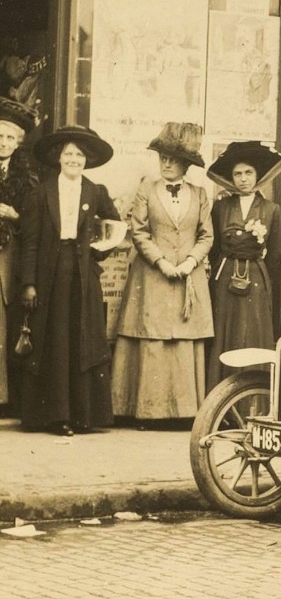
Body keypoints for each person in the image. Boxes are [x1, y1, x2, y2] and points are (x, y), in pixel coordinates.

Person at [19, 125, 119, 435]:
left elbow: (116, 225)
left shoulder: (95, 191)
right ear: (58, 158)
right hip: (51, 271)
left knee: (82, 337)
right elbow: (31, 242)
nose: (73, 159)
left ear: (86, 160)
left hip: (82, 274)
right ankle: (56, 415)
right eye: (68, 154)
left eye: (79, 154)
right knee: (56, 338)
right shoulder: (41, 193)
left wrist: (99, 250)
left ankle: (83, 415)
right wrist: (29, 283)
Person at [112, 123, 213, 424]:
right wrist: (162, 262)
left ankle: (183, 413)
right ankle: (147, 412)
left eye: (173, 159)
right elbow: (138, 231)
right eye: (163, 158)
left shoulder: (199, 193)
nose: (166, 164)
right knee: (152, 339)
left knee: (182, 341)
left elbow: (207, 235)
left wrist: (190, 262)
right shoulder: (147, 189)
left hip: (188, 277)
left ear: (186, 164)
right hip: (152, 276)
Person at [206, 140, 281, 389]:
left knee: (252, 332)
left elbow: (275, 256)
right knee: (225, 331)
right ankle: (220, 397)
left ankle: (253, 398)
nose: (243, 179)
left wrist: (269, 290)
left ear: (257, 175)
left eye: (248, 173)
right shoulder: (221, 207)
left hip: (256, 277)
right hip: (226, 274)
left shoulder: (272, 210)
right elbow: (215, 247)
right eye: (237, 174)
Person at [0, 98, 38, 411]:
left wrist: (14, 215)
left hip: (9, 254)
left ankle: (6, 398)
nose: (3, 142)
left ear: (18, 142)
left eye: (9, 137)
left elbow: (34, 222)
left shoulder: (27, 178)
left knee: (7, 322)